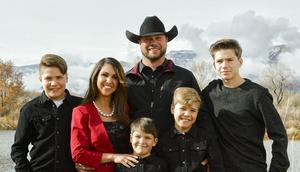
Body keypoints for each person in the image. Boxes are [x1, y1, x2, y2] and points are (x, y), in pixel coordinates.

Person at [201, 38, 290, 171]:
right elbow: (198, 124)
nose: (224, 65)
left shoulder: (257, 94)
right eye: (219, 61)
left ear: (240, 62)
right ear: (214, 65)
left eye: (230, 60)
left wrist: (277, 169)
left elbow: (280, 136)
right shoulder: (210, 92)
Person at [125, 16, 201, 136]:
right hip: (138, 151)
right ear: (139, 42)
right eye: (148, 39)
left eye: (158, 38)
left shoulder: (185, 77)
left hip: (176, 152)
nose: (153, 42)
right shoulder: (126, 80)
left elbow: (201, 115)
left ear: (166, 40)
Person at [11, 54, 82, 171]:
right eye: (48, 78)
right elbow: (18, 148)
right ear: (40, 79)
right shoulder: (29, 110)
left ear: (67, 78)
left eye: (59, 77)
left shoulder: (80, 106)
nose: (54, 83)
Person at [71, 57, 139, 172]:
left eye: (115, 77)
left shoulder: (125, 109)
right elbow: (78, 154)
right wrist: (114, 157)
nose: (109, 80)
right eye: (105, 75)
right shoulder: (82, 111)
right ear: (95, 77)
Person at [157, 87, 224, 172]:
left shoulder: (207, 139)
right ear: (172, 109)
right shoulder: (162, 141)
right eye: (183, 108)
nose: (187, 114)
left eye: (193, 110)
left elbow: (218, 168)